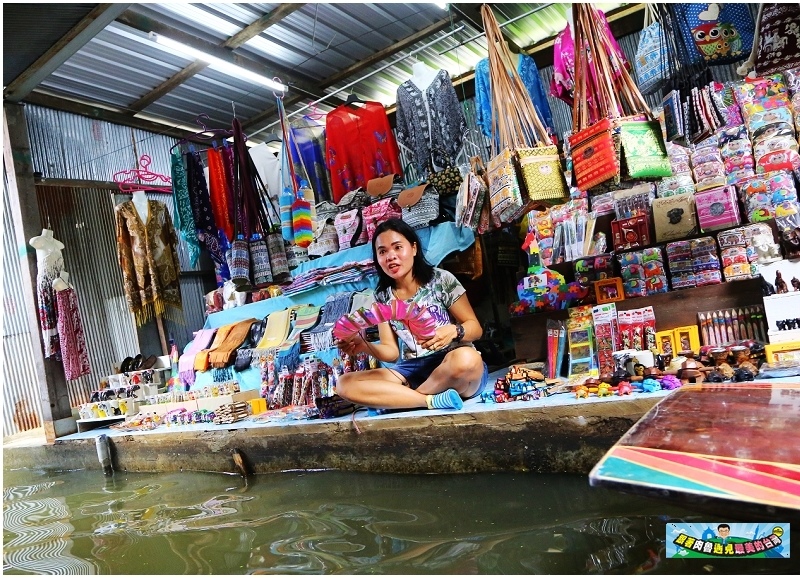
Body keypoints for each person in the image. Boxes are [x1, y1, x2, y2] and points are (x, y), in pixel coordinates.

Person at [336, 219, 488, 411]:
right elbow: (391, 353)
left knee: (467, 360)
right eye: (382, 252)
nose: (391, 256)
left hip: (450, 363)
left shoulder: (441, 280)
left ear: (414, 248)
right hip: (412, 369)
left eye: (397, 247)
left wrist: (454, 331)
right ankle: (429, 400)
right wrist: (364, 346)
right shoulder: (383, 296)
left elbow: (476, 329)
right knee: (345, 384)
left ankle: (402, 401)